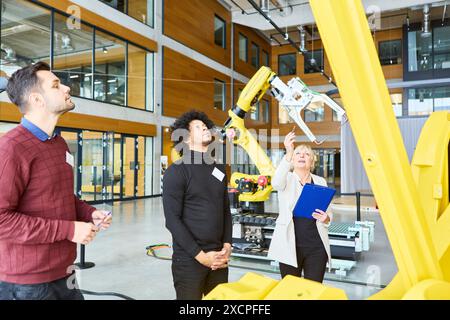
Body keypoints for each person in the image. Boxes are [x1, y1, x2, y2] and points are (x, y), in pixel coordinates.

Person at [0, 62, 112, 300]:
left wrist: (88, 213)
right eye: (55, 85)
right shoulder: (11, 148)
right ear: (37, 99)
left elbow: (59, 196)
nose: (66, 88)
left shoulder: (58, 144)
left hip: (65, 271)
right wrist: (69, 229)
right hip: (29, 283)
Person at [162, 110, 232, 300]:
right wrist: (201, 257)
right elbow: (172, 220)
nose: (205, 129)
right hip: (189, 259)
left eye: (205, 125)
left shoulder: (219, 168)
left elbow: (225, 210)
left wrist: (227, 245)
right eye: (198, 127)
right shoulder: (176, 171)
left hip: (218, 257)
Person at [268, 130, 332, 283]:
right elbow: (276, 182)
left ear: (312, 162)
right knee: (290, 291)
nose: (302, 156)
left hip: (316, 246)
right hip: (289, 245)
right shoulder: (286, 179)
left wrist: (326, 218)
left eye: (307, 154)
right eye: (298, 153)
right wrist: (289, 152)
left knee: (313, 290)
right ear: (292, 159)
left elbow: (328, 213)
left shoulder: (320, 181)